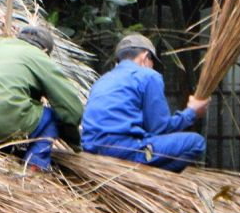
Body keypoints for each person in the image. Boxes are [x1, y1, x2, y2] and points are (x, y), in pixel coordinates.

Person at [0, 26, 84, 172]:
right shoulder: (38, 56)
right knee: (52, 117)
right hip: (2, 127)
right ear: (45, 51)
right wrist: (75, 142)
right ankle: (34, 168)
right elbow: (72, 109)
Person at [82, 33, 209, 172]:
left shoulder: (101, 81)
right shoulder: (148, 76)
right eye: (152, 61)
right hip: (124, 151)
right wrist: (191, 112)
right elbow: (160, 129)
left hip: (90, 150)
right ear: (144, 56)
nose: (152, 66)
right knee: (196, 143)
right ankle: (155, 180)